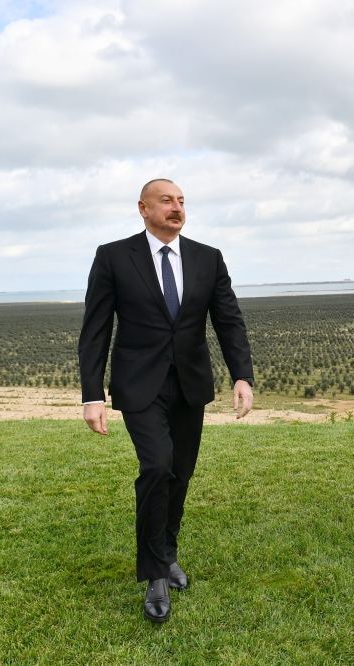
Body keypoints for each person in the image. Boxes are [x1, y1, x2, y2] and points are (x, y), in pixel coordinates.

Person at [78, 178, 254, 623]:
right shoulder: (114, 256)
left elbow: (228, 320)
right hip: (140, 384)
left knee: (181, 472)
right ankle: (156, 574)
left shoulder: (207, 258)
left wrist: (242, 375)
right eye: (166, 201)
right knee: (156, 467)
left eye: (181, 201)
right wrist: (91, 395)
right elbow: (95, 329)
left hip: (190, 384)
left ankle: (168, 551)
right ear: (142, 208)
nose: (176, 208)